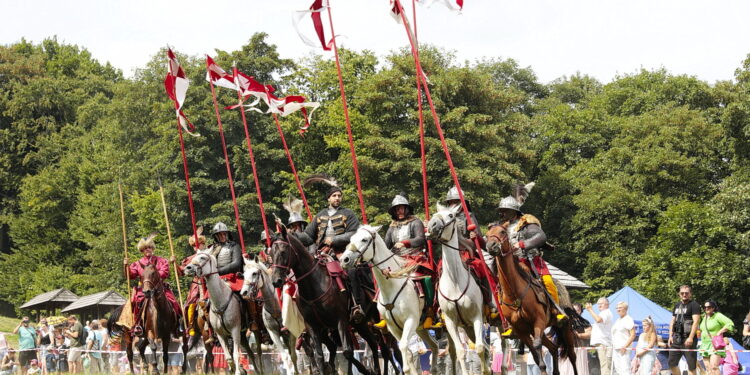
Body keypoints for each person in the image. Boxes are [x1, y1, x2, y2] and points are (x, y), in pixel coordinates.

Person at [296, 175, 363, 322]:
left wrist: (335, 239)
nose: (337, 198)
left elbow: (354, 232)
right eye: (334, 196)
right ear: (328, 199)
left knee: (351, 271)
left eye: (339, 195)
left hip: (344, 251)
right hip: (323, 253)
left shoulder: (348, 213)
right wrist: (293, 236)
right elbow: (308, 237)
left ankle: (357, 305)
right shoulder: (320, 215)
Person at [497, 182, 566, 324]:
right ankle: (505, 317)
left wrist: (522, 244)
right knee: (500, 285)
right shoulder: (500, 226)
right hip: (512, 263)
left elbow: (540, 237)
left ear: (514, 211)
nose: (503, 213)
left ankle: (556, 310)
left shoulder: (526, 222)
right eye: (502, 210)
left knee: (547, 282)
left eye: (506, 210)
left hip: (530, 260)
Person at [383, 192, 440, 329]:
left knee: (425, 279)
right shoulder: (392, 227)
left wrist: (405, 242)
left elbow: (420, 239)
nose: (399, 211)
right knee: (382, 277)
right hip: (398, 260)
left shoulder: (415, 222)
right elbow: (386, 245)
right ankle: (384, 312)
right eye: (397, 209)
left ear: (407, 209)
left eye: (402, 208)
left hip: (416, 258)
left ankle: (429, 312)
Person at [123, 234, 182, 336]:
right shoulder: (137, 263)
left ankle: (178, 324)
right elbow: (131, 275)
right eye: (145, 248)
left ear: (152, 248)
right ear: (142, 250)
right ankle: (138, 324)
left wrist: (153, 275)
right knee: (135, 302)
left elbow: (165, 273)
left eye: (149, 247)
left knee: (174, 302)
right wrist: (126, 266)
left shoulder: (161, 261)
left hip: (160, 289)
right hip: (144, 290)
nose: (148, 250)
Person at [668, 285, 701, 375]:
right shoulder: (677, 305)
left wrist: (690, 338)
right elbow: (672, 321)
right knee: (671, 364)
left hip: (688, 339)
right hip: (677, 338)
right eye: (682, 293)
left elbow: (696, 322)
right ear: (679, 294)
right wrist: (670, 336)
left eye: (686, 293)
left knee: (691, 366)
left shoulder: (694, 305)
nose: (684, 295)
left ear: (690, 294)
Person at [698, 300, 734, 375]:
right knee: (708, 368)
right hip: (704, 344)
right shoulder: (703, 317)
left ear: (713, 308)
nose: (706, 309)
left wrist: (720, 332)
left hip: (715, 345)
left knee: (714, 367)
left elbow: (730, 323)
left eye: (709, 307)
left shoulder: (718, 315)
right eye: (705, 307)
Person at [206, 223, 244, 293]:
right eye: (219, 235)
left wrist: (217, 271)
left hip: (233, 278)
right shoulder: (212, 249)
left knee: (244, 296)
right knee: (205, 300)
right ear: (216, 236)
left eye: (224, 234)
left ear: (227, 234)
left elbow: (236, 264)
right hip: (216, 279)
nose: (222, 236)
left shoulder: (234, 246)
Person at [587, 298, 614, 375]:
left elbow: (598, 320)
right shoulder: (603, 313)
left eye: (601, 303)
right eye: (598, 304)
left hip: (603, 343)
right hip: (602, 343)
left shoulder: (605, 312)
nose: (599, 305)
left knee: (604, 365)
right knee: (604, 365)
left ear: (607, 304)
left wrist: (590, 310)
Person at [611, 302, 635, 375]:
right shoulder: (617, 320)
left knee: (625, 369)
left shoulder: (628, 319)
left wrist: (625, 346)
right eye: (617, 308)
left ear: (626, 309)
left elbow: (633, 335)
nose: (618, 309)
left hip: (624, 348)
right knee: (618, 370)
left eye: (620, 307)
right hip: (616, 348)